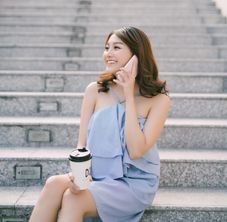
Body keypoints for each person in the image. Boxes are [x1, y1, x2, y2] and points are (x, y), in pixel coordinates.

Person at [29, 26, 170, 222]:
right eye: (106, 48)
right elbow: (82, 145)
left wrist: (129, 95)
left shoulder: (158, 99)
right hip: (97, 175)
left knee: (73, 199)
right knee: (54, 183)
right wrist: (80, 178)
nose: (108, 54)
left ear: (136, 55)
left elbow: (137, 150)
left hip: (133, 183)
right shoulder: (94, 90)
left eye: (116, 48)